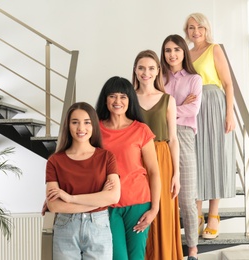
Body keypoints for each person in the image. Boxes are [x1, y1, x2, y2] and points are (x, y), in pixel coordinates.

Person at [95, 76, 161, 260]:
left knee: (136, 257)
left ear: (130, 99)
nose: (118, 101)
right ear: (105, 99)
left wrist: (154, 209)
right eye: (112, 96)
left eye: (123, 96)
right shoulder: (94, 130)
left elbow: (154, 172)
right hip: (108, 205)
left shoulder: (141, 130)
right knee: (118, 258)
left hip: (139, 205)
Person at [183, 12, 236, 240]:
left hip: (213, 104)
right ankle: (196, 214)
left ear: (206, 29)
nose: (196, 32)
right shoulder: (185, 54)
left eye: (200, 28)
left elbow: (227, 83)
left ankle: (213, 215)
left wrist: (229, 113)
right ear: (186, 31)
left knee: (214, 157)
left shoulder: (214, 49)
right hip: (193, 109)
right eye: (191, 28)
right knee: (194, 159)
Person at [45, 102, 121, 259]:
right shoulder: (55, 161)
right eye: (75, 122)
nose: (81, 128)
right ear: (68, 125)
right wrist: (99, 199)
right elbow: (54, 205)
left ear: (93, 125)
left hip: (99, 226)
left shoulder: (106, 157)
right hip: (65, 227)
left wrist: (70, 198)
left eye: (87, 122)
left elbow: (113, 197)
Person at [132, 50, 183, 260]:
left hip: (162, 159)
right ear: (135, 70)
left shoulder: (167, 100)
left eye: (151, 68)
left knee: (162, 212)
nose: (146, 72)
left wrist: (177, 173)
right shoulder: (128, 98)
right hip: (136, 159)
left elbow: (173, 138)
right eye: (142, 68)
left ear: (158, 71)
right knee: (139, 211)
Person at [160, 34, 202, 259]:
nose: (172, 54)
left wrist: (169, 111)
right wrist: (177, 107)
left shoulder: (194, 79)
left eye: (176, 49)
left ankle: (192, 250)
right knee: (163, 196)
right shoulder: (159, 78)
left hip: (184, 136)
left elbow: (193, 110)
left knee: (186, 198)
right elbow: (153, 108)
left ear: (184, 51)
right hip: (160, 137)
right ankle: (168, 248)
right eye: (167, 50)